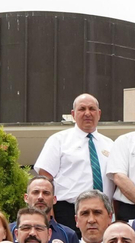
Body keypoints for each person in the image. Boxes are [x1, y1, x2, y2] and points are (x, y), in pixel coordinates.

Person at [34, 94, 112, 230]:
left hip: (102, 211)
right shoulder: (58, 140)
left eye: (92, 109)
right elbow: (45, 177)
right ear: (73, 114)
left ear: (99, 114)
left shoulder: (110, 145)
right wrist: (51, 215)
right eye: (82, 109)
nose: (87, 113)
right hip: (67, 212)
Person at [11, 174, 79, 243]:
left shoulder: (68, 235)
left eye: (46, 193)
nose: (40, 197)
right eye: (36, 192)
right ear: (26, 198)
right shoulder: (9, 231)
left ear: (54, 199)